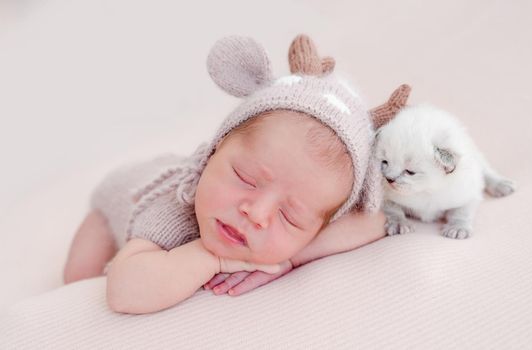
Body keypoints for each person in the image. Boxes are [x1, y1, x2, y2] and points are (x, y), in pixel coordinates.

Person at [63, 34, 410, 314]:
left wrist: (291, 256)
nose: (256, 214)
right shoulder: (175, 209)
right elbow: (125, 293)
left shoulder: (314, 197)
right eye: (246, 178)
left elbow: (374, 220)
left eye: (290, 217)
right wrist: (213, 257)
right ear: (213, 153)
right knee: (76, 286)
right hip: (123, 194)